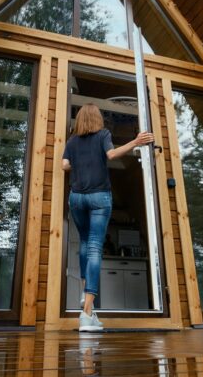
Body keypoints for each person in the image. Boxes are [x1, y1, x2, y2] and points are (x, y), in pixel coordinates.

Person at [61, 103, 154, 332]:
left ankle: (89, 308)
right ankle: (86, 311)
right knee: (94, 247)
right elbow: (111, 154)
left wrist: (81, 165)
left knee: (84, 244)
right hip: (99, 197)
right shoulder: (103, 135)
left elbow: (64, 166)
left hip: (77, 198)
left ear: (80, 120)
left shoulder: (72, 141)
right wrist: (135, 142)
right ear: (97, 119)